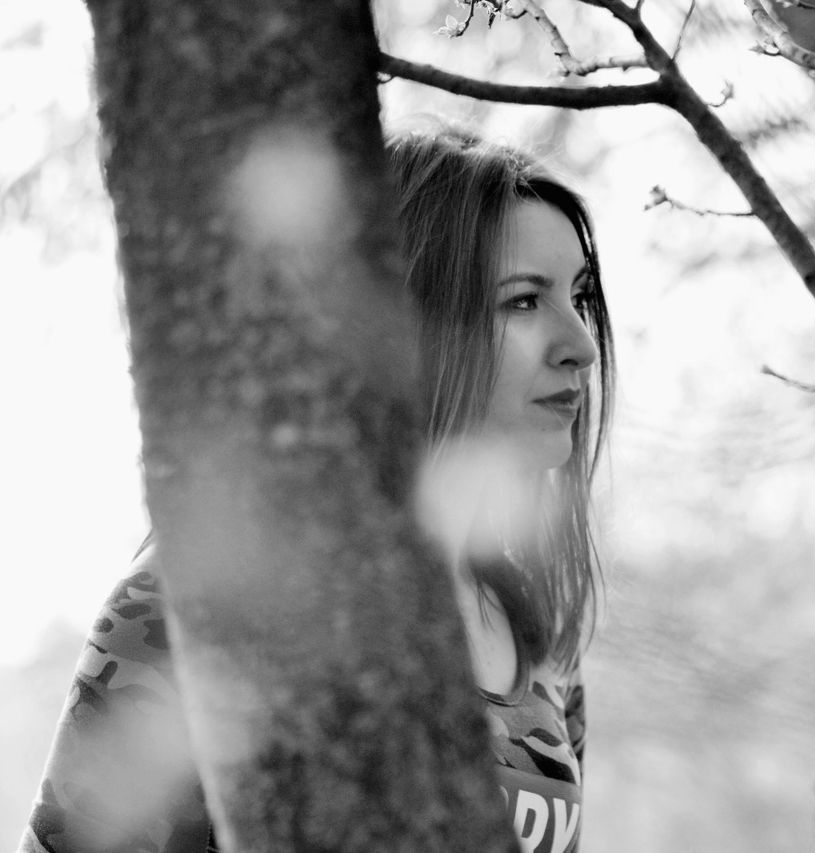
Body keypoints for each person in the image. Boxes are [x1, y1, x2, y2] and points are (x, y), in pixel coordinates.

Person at [21, 125, 614, 853]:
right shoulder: (211, 599)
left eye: (579, 297)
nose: (581, 344)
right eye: (523, 302)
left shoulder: (538, 635)